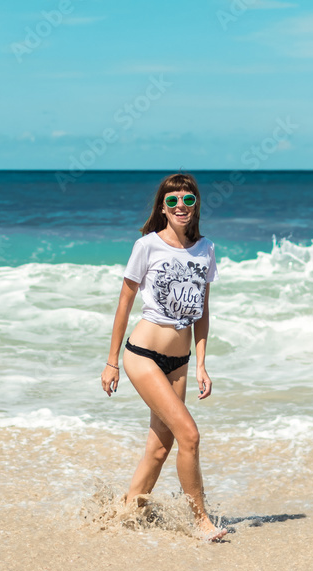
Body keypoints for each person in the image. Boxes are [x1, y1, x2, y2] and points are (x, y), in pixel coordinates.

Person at [101, 173, 228, 542]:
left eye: (188, 201)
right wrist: (111, 362)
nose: (181, 208)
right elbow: (124, 304)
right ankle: (201, 522)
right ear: (163, 208)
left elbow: (202, 312)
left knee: (159, 449)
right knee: (189, 435)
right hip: (143, 355)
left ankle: (122, 514)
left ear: (196, 205)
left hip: (181, 361)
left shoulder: (205, 250)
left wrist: (201, 363)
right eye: (172, 202)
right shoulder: (147, 246)